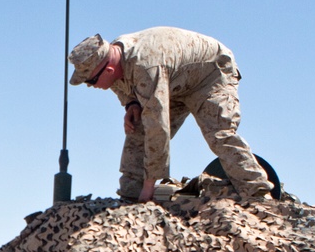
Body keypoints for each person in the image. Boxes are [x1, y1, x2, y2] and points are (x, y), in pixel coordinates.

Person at [68, 26, 273, 203]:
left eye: (91, 81)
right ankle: (130, 196)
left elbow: (158, 128)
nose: (90, 86)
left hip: (209, 75)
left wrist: (151, 184)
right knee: (138, 130)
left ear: (109, 70)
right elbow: (121, 85)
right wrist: (131, 104)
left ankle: (257, 193)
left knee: (218, 134)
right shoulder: (114, 56)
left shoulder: (146, 66)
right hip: (173, 82)